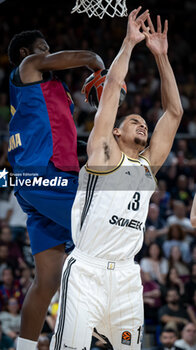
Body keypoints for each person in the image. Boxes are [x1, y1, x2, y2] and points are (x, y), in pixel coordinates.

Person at [51, 7, 183, 350]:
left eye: (144, 122)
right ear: (114, 131)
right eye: (133, 120)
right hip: (87, 272)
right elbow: (110, 91)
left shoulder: (148, 167)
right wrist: (128, 43)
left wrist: (162, 57)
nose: (142, 124)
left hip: (126, 276)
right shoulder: (104, 154)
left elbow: (173, 112)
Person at [7, 30, 104, 350]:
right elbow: (60, 60)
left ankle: (24, 347)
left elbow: (58, 135)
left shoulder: (53, 91)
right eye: (40, 49)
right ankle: (102, 335)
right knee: (101, 233)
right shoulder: (27, 69)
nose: (46, 53)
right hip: (46, 176)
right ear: (25, 53)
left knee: (47, 279)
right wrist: (95, 61)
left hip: (42, 181)